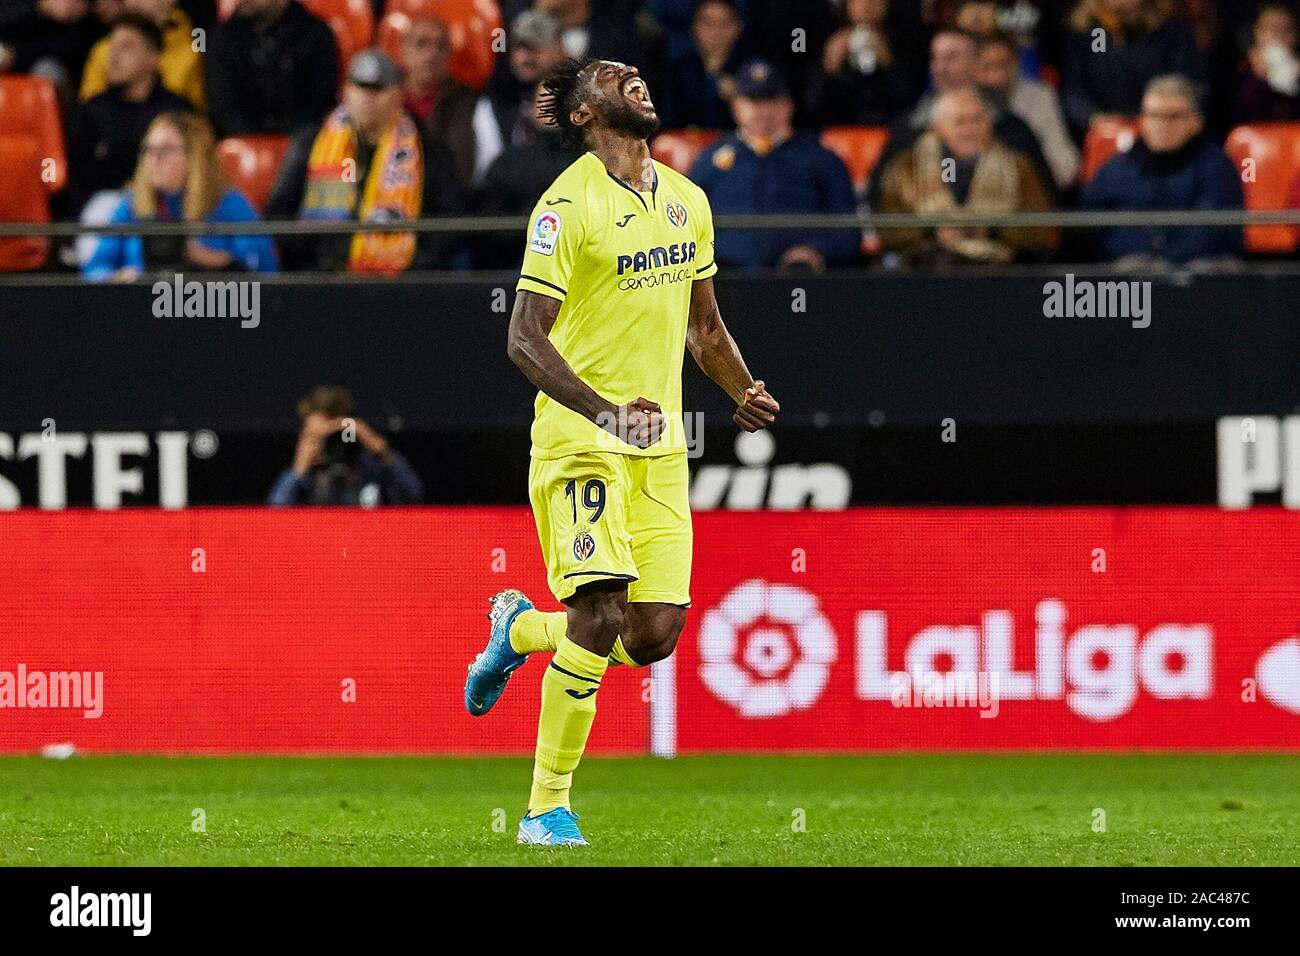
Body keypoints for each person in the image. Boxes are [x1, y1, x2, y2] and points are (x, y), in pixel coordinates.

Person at [464, 56, 779, 847]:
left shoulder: (688, 199)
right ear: (583, 114)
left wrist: (740, 387)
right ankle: (545, 809)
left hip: (659, 445)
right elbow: (522, 338)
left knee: (651, 634)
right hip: (581, 439)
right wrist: (605, 413)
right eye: (613, 76)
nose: (635, 75)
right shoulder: (565, 207)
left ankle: (520, 631)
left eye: (637, 70)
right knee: (599, 612)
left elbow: (703, 328)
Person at [264, 50, 466, 273]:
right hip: (320, 277)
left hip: (402, 284)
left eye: (379, 89)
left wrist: (414, 268)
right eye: (361, 87)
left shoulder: (428, 151)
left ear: (399, 94)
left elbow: (448, 225)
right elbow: (278, 215)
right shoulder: (310, 144)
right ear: (346, 92)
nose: (368, 98)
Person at [689, 59, 859, 271]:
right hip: (724, 278)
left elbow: (849, 228)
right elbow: (686, 223)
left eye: (772, 100)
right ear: (736, 106)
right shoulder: (710, 159)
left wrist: (816, 251)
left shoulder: (821, 159)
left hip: (798, 280)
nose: (763, 110)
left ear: (789, 104)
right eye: (753, 100)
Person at [868, 29, 1057, 207]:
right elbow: (881, 198)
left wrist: (992, 230)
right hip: (925, 240)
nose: (940, 67)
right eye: (935, 58)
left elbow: (1043, 199)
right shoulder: (908, 129)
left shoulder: (1012, 129)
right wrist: (931, 233)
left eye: (951, 58)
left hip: (1001, 239)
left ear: (976, 64)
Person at [82, 110, 278, 280]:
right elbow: (95, 269)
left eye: (166, 149)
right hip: (142, 308)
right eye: (149, 149)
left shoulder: (228, 203)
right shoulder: (131, 205)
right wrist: (121, 278)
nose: (154, 159)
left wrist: (211, 259)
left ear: (195, 157)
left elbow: (265, 268)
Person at [1079, 74, 1243, 267]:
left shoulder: (1217, 167)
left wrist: (1166, 262)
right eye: (1154, 115)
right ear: (1142, 120)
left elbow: (1214, 230)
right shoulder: (1116, 167)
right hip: (1130, 271)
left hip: (1197, 272)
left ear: (1195, 122)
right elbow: (1091, 224)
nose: (1162, 125)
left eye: (1173, 117)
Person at [878, 86, 1055, 264]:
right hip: (928, 269)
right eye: (960, 121)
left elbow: (1038, 227)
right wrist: (933, 233)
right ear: (937, 128)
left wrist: (990, 231)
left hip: (1000, 269)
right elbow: (889, 229)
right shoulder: (906, 168)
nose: (970, 129)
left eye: (977, 119)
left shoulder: (1018, 166)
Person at [67, 13, 191, 215]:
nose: (113, 56)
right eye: (112, 47)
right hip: (103, 215)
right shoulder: (90, 111)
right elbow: (77, 183)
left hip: (167, 214)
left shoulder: (178, 111)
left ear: (154, 58)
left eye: (126, 47)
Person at [1061, 0, 1203, 139]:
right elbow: (1075, 90)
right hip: (1105, 131)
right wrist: (1094, 118)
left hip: (1162, 126)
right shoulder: (1094, 32)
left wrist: (1153, 117)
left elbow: (1185, 84)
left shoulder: (1170, 29)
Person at [267, 386, 423, 506]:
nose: (331, 442)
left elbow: (412, 496)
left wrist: (383, 453)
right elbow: (275, 514)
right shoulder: (305, 480)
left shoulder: (370, 469)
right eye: (318, 436)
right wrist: (298, 471)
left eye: (338, 433)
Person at [204, 0, 338, 137]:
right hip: (241, 143)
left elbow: (320, 102)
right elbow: (223, 108)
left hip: (304, 142)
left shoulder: (316, 34)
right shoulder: (221, 38)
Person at [473, 8, 567, 183]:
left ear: (559, 48)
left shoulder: (579, 97)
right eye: (519, 47)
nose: (524, 57)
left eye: (535, 48)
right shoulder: (495, 102)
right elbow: (486, 174)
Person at [975, 31, 1078, 191]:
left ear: (1015, 63)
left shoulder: (1041, 97)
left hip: (1035, 192)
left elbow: (1064, 159)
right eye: (987, 67)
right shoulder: (965, 103)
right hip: (983, 192)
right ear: (973, 68)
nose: (996, 76)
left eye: (1003, 64)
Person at [804, 0, 920, 127]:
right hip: (839, 132)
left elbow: (911, 104)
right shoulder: (830, 40)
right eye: (859, 1)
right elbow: (812, 106)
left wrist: (889, 64)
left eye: (874, 1)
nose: (866, 7)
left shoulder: (903, 41)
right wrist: (829, 67)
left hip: (890, 131)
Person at [78, 0, 204, 109]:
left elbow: (199, 117)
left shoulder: (196, 46)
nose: (135, 2)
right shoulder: (103, 50)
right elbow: (90, 109)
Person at [400, 15, 477, 188]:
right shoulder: (388, 98)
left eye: (441, 46)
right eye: (422, 43)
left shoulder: (467, 101)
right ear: (403, 50)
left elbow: (462, 166)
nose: (432, 53)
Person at [656, 0, 746, 129]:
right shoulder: (677, 70)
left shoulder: (751, 70)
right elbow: (664, 120)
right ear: (694, 27)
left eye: (724, 23)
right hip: (687, 144)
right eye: (709, 23)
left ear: (738, 27)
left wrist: (740, 97)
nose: (716, 31)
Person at [1233, 3, 1300, 123]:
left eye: (1285, 30)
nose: (1278, 36)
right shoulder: (1240, 67)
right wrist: (1258, 80)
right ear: (1257, 32)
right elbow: (1237, 116)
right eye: (1271, 29)